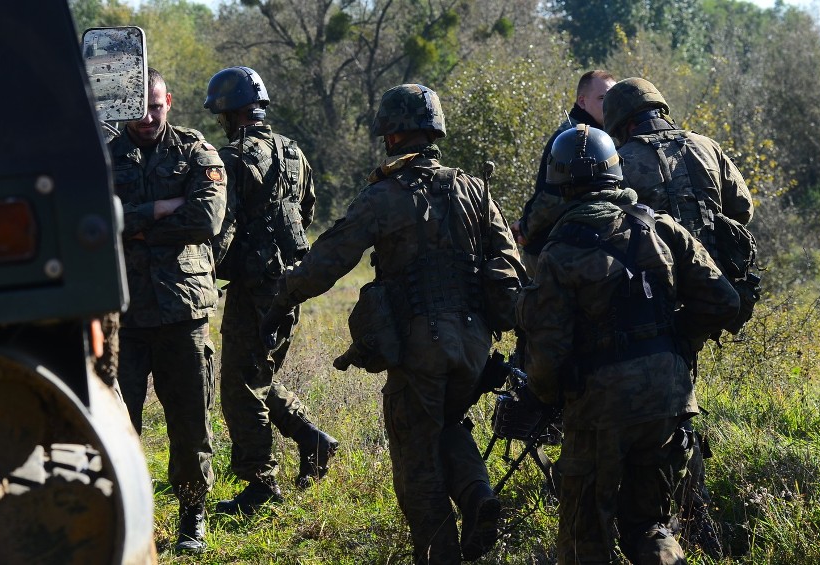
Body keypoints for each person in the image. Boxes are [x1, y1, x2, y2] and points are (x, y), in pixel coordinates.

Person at [260, 83, 524, 564]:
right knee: (449, 423)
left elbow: (331, 258)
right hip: (473, 345)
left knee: (415, 460)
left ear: (390, 135)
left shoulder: (383, 195)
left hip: (421, 346)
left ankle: (440, 555)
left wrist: (282, 299)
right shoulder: (473, 188)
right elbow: (509, 263)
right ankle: (477, 496)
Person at [516, 123, 740, 564]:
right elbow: (723, 300)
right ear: (616, 175)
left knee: (585, 538)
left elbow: (548, 353)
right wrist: (674, 344)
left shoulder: (558, 253)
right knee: (650, 525)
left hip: (599, 407)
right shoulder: (660, 227)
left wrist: (547, 395)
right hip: (669, 398)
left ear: (561, 187)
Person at [603, 77, 756, 557]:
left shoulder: (623, 160)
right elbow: (743, 209)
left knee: (669, 411)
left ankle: (684, 516)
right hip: (714, 298)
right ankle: (684, 511)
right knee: (679, 396)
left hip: (654, 304)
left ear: (622, 122)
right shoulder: (706, 147)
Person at [202, 66, 338, 516]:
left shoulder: (233, 157)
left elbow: (222, 225)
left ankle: (260, 485)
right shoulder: (294, 153)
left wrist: (206, 273)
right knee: (259, 378)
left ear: (227, 112)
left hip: (255, 288)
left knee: (240, 388)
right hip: (290, 284)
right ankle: (313, 441)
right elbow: (307, 210)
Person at [109, 67, 226, 554]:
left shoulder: (196, 150)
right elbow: (92, 217)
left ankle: (191, 520)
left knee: (190, 425)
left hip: (182, 312)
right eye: (139, 107)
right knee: (118, 426)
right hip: (124, 315)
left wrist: (132, 225)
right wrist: (159, 209)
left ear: (169, 101)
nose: (148, 115)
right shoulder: (105, 154)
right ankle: (124, 522)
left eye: (156, 105)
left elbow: (207, 218)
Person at [512, 70, 616, 276]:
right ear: (582, 101)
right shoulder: (576, 139)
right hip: (550, 252)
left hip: (571, 246)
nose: (609, 104)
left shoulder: (595, 134)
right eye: (602, 98)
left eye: (612, 98)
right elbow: (552, 196)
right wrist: (525, 230)